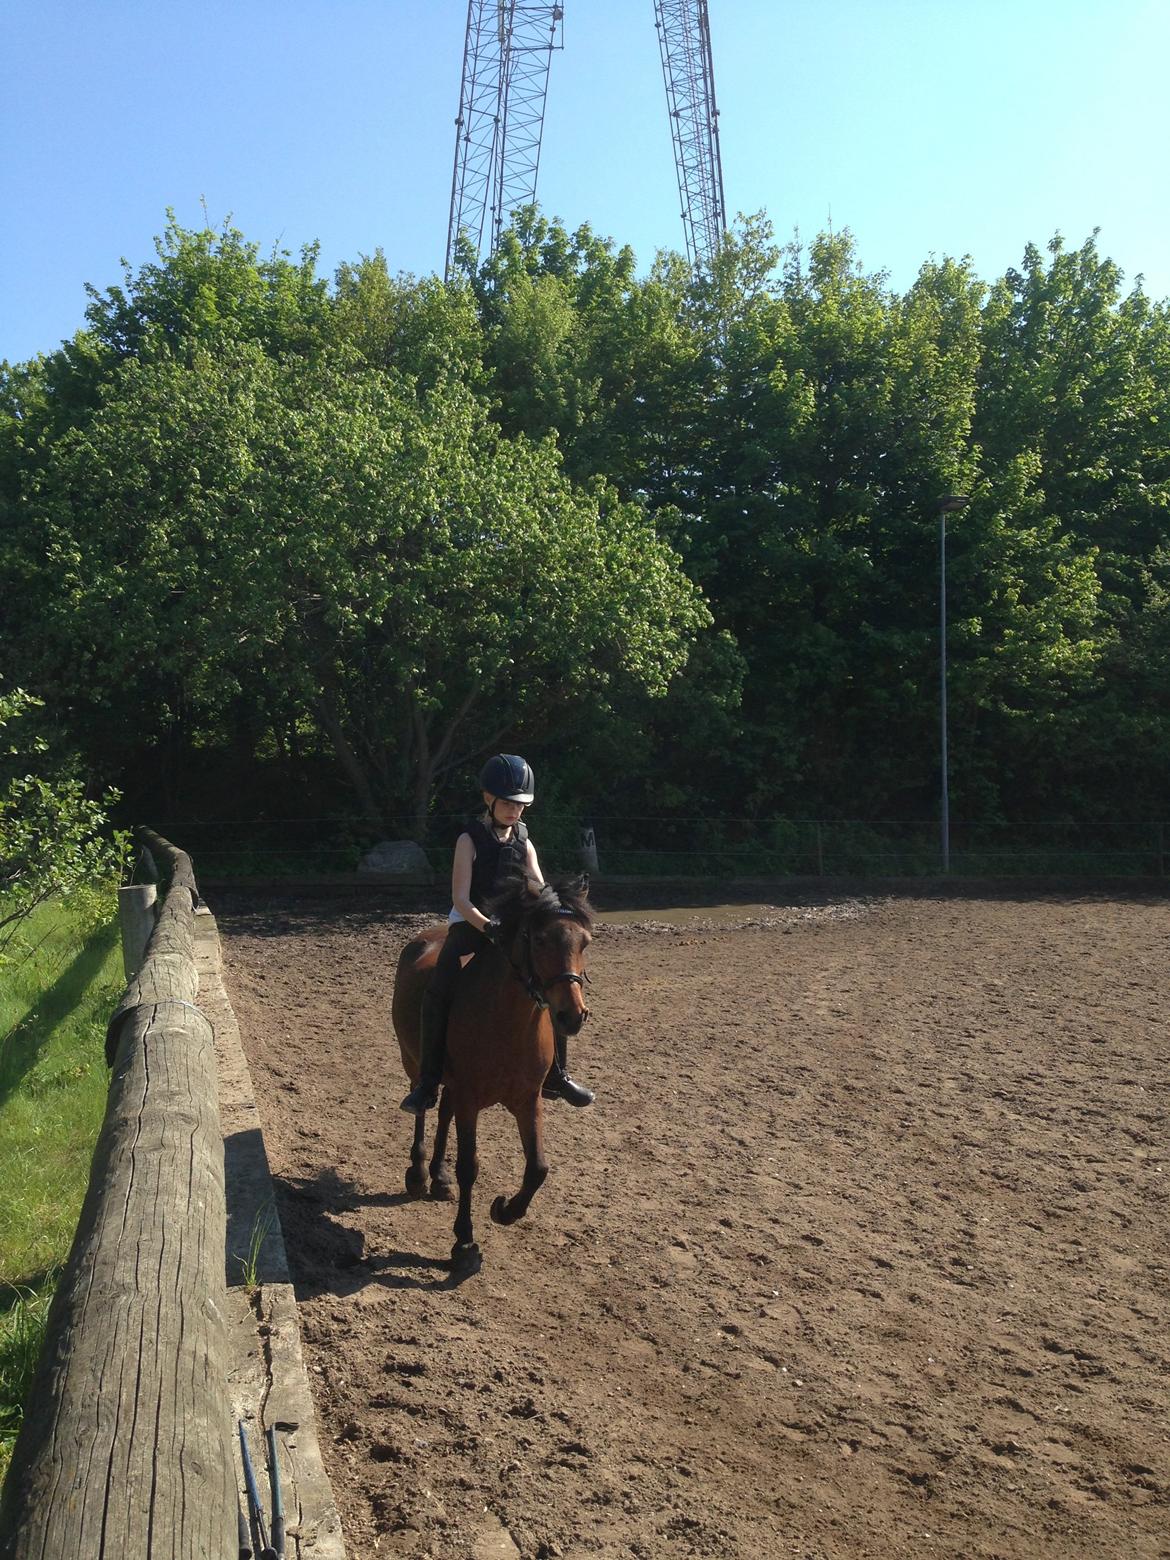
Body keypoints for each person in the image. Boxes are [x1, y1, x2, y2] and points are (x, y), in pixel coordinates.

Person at [399, 754, 595, 1113]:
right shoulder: (468, 840)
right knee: (439, 989)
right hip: (471, 925)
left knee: (553, 982)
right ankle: (427, 1081)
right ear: (489, 799)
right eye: (507, 803)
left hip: (513, 931)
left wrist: (559, 910)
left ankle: (557, 1075)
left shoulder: (524, 839)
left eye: (520, 805)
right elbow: (460, 895)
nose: (514, 811)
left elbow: (538, 885)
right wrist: (489, 927)